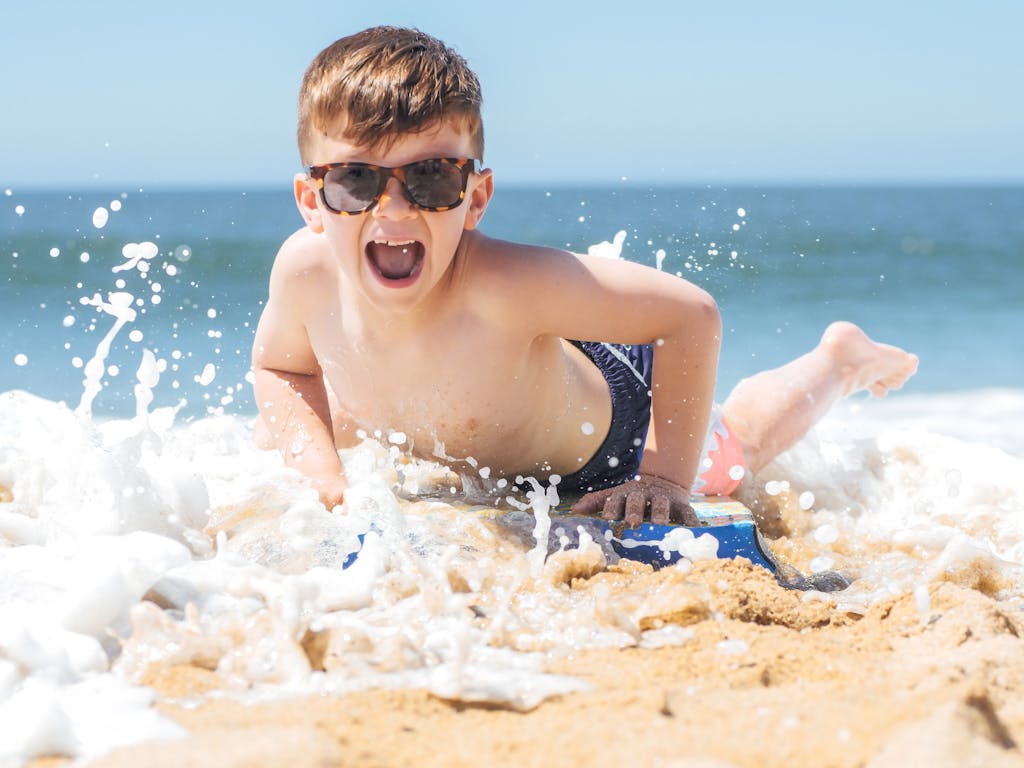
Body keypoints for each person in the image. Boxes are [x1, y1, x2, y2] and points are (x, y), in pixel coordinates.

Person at [252, 26, 918, 528]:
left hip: (608, 432)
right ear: (312, 200)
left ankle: (836, 358)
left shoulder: (506, 287)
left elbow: (691, 317)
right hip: (494, 425)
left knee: (725, 462)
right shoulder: (304, 273)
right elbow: (282, 369)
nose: (392, 207)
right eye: (355, 180)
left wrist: (663, 478)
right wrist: (322, 480)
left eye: (430, 178)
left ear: (475, 197)